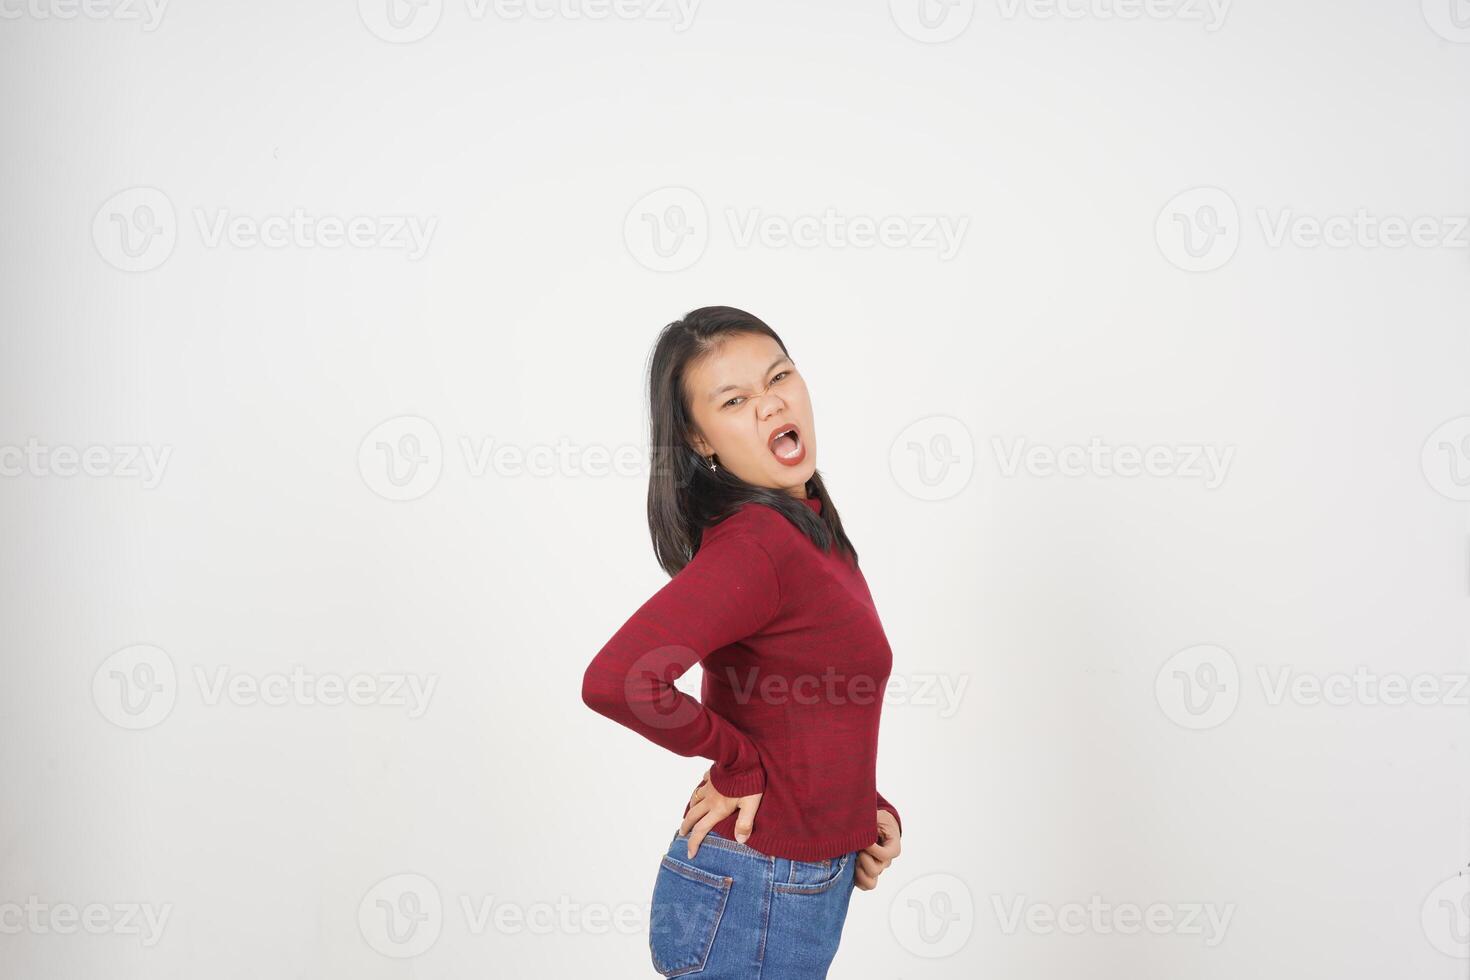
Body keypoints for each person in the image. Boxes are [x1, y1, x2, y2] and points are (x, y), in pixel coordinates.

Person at [581, 305, 904, 978]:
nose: (770, 404)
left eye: (779, 376)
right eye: (734, 399)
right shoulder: (755, 545)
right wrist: (736, 763)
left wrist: (861, 814)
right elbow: (618, 680)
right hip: (754, 889)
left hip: (791, 884)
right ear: (700, 441)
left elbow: (809, 700)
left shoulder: (809, 530)